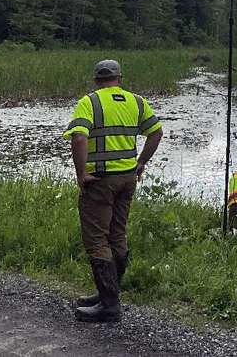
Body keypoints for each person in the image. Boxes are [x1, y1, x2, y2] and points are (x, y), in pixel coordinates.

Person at [64, 59, 163, 323]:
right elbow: (156, 132)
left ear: (96, 80)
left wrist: (80, 173)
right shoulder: (137, 102)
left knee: (97, 240)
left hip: (100, 181)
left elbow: (79, 137)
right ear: (120, 78)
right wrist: (141, 162)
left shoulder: (90, 102)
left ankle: (109, 306)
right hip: (128, 180)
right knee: (117, 236)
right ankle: (106, 294)